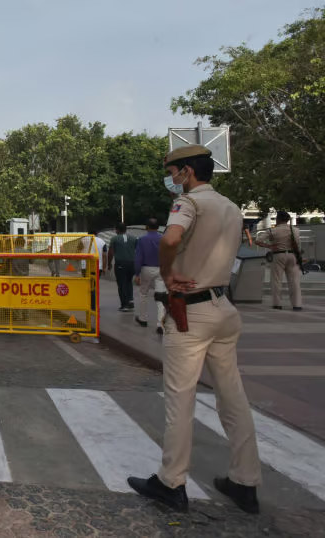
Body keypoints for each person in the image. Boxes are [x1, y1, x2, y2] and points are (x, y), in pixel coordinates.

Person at [127, 145, 261, 515]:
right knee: (232, 397)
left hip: (192, 311)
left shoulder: (189, 204)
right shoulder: (231, 207)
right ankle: (245, 480)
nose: (171, 180)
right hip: (224, 307)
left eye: (172, 172)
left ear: (187, 172)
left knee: (179, 398)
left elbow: (171, 240)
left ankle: (171, 482)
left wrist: (169, 274)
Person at [255, 211, 303, 311]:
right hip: (292, 256)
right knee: (294, 281)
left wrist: (269, 246)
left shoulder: (273, 231)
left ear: (278, 219)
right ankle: (297, 304)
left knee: (276, 280)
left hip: (278, 255)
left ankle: (277, 303)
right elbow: (298, 245)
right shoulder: (295, 230)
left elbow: (258, 241)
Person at [133, 218, 166, 334]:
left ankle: (143, 318)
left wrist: (137, 273)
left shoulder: (142, 240)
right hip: (161, 269)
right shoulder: (163, 239)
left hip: (146, 268)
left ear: (146, 227)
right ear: (158, 227)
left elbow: (138, 258)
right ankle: (160, 324)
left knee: (143, 294)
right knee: (161, 296)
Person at [107, 223, 137, 311]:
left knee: (121, 283)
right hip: (132, 263)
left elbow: (111, 252)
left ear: (117, 230)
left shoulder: (114, 239)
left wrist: (109, 264)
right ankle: (130, 300)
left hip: (120, 264)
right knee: (128, 281)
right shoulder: (134, 238)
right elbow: (138, 251)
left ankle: (125, 305)